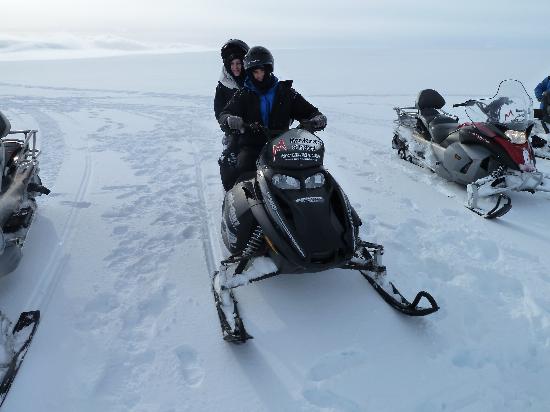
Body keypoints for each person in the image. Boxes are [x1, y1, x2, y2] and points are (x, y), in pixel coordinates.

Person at [218, 46, 326, 188]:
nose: (259, 76)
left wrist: (317, 119)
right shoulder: (243, 95)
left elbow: (310, 111)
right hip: (253, 146)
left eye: (262, 71)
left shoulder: (286, 93)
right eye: (255, 72)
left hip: (283, 146)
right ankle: (239, 203)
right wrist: (229, 119)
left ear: (268, 70)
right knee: (242, 171)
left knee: (309, 173)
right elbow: (225, 114)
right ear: (249, 73)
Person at [215, 39, 249, 191]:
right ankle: (231, 195)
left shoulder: (255, 79)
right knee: (230, 161)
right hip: (234, 129)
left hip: (259, 126)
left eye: (239, 63)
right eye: (232, 64)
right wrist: (228, 122)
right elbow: (219, 110)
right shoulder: (224, 85)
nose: (235, 67)